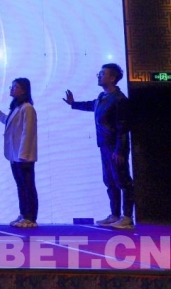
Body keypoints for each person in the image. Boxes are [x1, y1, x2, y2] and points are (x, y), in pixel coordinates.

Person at [63, 63, 134, 229]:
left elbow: (123, 128)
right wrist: (74, 103)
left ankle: (127, 217)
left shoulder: (119, 99)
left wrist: (120, 150)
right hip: (104, 145)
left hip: (115, 147)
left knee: (123, 181)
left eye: (102, 74)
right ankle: (115, 215)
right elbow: (92, 105)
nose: (99, 76)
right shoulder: (103, 96)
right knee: (109, 180)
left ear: (112, 78)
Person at [0, 78, 39, 228]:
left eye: (15, 86)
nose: (12, 89)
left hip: (23, 155)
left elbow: (28, 132)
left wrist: (24, 154)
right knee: (21, 185)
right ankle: (24, 214)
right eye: (12, 86)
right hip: (15, 154)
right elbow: (6, 120)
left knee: (28, 186)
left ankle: (31, 217)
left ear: (24, 90)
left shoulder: (27, 108)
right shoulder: (17, 107)